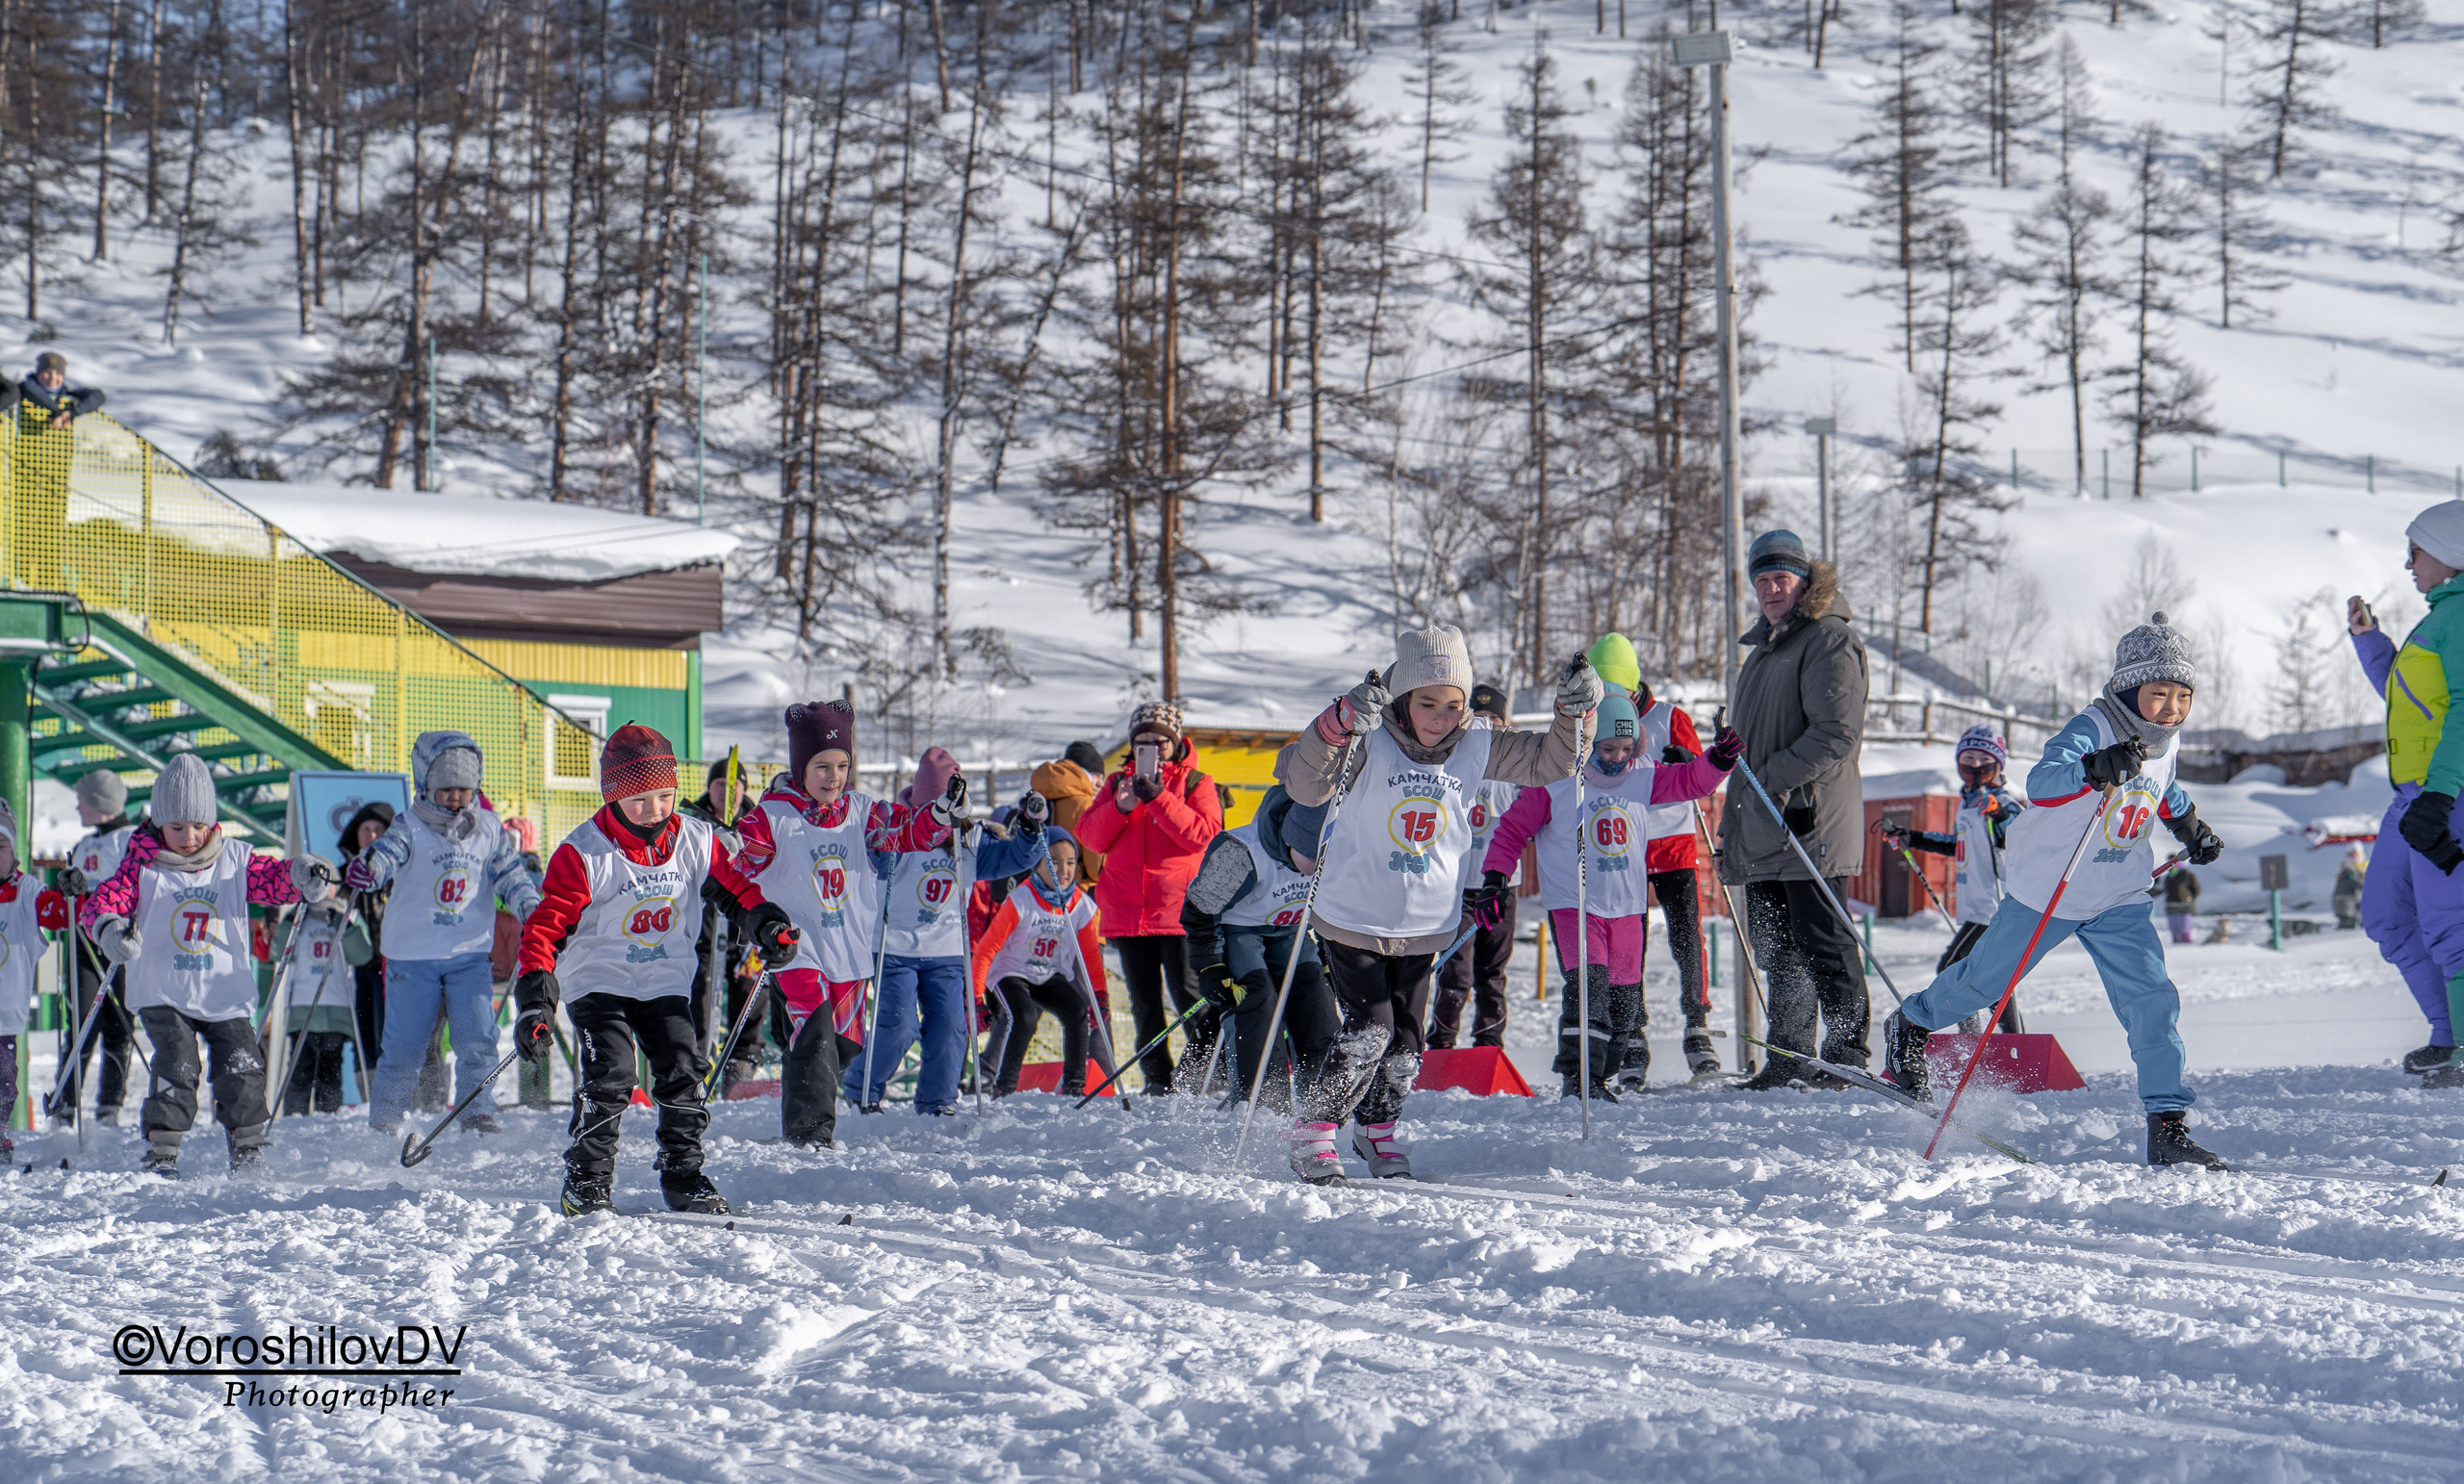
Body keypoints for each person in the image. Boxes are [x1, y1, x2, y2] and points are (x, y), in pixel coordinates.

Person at [1882, 613, 2231, 1168]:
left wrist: (2190, 826)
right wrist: (2092, 767)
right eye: (2159, 693)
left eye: (2182, 695)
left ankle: (2168, 1127)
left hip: (2118, 892)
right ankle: (1912, 1022)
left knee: (2153, 1003)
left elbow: (2164, 785)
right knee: (1986, 982)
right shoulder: (2093, 726)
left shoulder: (2168, 739)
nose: (2171, 708)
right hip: (2050, 888)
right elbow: (2043, 783)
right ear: (2127, 687)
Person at [1273, 625, 1597, 1180]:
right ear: (1402, 695)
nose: (1441, 718)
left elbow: (1553, 762)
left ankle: (1377, 1131)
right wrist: (1337, 724)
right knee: (1369, 1030)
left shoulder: (1477, 744)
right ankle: (1315, 1131)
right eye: (1428, 703)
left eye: (1454, 705)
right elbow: (1304, 785)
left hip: (1425, 921)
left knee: (1404, 1042)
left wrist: (1574, 716)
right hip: (1353, 914)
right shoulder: (1367, 738)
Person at [513, 725, 798, 1215]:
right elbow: (544, 930)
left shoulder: (695, 840)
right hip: (599, 982)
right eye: (640, 799)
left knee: (683, 1068)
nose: (655, 810)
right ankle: (588, 1178)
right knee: (613, 1074)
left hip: (664, 980)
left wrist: (767, 924)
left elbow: (736, 892)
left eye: (665, 796)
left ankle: (684, 1174)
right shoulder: (584, 853)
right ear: (614, 794)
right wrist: (536, 1001)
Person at [1475, 690, 1743, 1097]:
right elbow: (1512, 831)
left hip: (1627, 908)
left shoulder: (1642, 774)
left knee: (1623, 1005)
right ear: (1589, 743)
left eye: (1626, 747)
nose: (1617, 757)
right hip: (1575, 905)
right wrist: (1495, 877)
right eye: (1607, 747)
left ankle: (1605, 1072)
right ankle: (1579, 1077)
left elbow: (1691, 781)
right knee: (1588, 991)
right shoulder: (1559, 780)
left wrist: (1720, 757)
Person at [83, 755, 338, 1176]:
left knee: (241, 1063)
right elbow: (105, 901)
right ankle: (162, 1150)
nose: (189, 838)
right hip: (165, 991)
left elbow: (272, 879)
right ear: (158, 823)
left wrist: (301, 873)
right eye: (177, 827)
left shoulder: (235, 858)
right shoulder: (142, 863)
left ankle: (249, 1146)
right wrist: (110, 929)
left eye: (198, 827)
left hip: (224, 990)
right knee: (178, 1062)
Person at [733, 701, 951, 1142]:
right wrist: (727, 850)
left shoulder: (861, 811)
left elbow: (907, 831)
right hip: (796, 946)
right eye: (821, 766)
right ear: (799, 767)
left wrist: (942, 813)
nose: (834, 777)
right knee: (815, 1034)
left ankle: (798, 1067)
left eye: (842, 765)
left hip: (848, 949)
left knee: (844, 1045)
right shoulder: (773, 817)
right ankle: (811, 1136)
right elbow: (738, 862)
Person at [1719, 529, 1872, 1089]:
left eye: (1780, 577)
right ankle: (1789, 1057)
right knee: (1777, 947)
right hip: (1765, 823)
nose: (1770, 589)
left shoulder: (1827, 639)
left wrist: (1766, 780)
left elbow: (1836, 735)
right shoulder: (1764, 649)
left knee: (1824, 942)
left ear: (1805, 581)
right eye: (1761, 580)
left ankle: (1846, 1056)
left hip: (1811, 821)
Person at [344, 731, 543, 1136]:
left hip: (468, 952)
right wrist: (372, 868)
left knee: (477, 1037)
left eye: (464, 790)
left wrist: (531, 907)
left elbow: (510, 876)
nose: (455, 798)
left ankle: (477, 1110)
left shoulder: (487, 828)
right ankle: (386, 1119)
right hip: (412, 955)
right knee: (405, 1046)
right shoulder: (409, 825)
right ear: (426, 785)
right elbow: (386, 855)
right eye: (446, 789)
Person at [863, 750, 1049, 1114]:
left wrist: (1029, 829)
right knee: (899, 1026)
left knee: (951, 1025)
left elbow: (1013, 859)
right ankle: (862, 1089)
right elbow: (876, 857)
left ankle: (937, 1099)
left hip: (946, 947)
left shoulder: (969, 838)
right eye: (936, 802)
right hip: (895, 944)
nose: (943, 813)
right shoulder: (902, 830)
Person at [2350, 503, 2464, 1086]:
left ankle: (2462, 1047)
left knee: (2452, 924)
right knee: (2388, 918)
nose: (2408, 562)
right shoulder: (2441, 618)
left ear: (2450, 551)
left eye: (2416, 550)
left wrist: (2440, 797)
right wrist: (2370, 642)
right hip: (2412, 795)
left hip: (2447, 793)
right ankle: (2450, 1038)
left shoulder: (2462, 616)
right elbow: (2411, 703)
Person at [1586, 633, 1720, 1081]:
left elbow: (1703, 774)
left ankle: (1697, 1025)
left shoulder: (1668, 717)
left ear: (1633, 684)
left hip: (1674, 841)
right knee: (1629, 944)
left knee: (1686, 937)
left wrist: (1688, 757)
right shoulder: (1594, 721)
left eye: (1615, 690)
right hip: (1624, 848)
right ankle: (1633, 1033)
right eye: (1601, 691)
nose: (1608, 699)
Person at [1072, 702, 1223, 1095]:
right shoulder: (1114, 785)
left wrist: (1158, 798)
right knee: (1144, 1006)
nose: (1152, 748)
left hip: (1180, 912)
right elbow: (1089, 837)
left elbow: (1204, 835)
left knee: (1191, 997)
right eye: (1143, 742)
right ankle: (1157, 1079)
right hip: (1126, 912)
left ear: (1175, 743)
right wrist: (1121, 806)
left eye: (1159, 741)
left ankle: (1208, 1074)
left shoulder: (1196, 783)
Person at [1182, 786, 1341, 1154]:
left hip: (1291, 931)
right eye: (1308, 856)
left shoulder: (1337, 849)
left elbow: (1338, 909)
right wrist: (1209, 966)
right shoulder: (1241, 852)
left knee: (1315, 999)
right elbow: (1200, 910)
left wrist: (1336, 962)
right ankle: (1261, 1103)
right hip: (1239, 931)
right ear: (1291, 839)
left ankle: (1323, 1107)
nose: (1316, 866)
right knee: (1259, 1000)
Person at [1883, 724, 2030, 1032]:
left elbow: (2019, 836)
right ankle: (2007, 1037)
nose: (1975, 766)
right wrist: (1913, 837)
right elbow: (1956, 844)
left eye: (1983, 759)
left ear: (1998, 763)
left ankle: (1972, 1038)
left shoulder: (2003, 801)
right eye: (1969, 758)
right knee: (1988, 975)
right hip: (1977, 906)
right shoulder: (1967, 803)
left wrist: (1999, 815)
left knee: (1954, 968)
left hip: (1993, 906)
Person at [974, 829, 1118, 1098]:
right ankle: (1004, 1086)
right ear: (1038, 864)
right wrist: (976, 996)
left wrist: (1099, 994)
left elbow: (1089, 956)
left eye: (1070, 862)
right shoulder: (1022, 899)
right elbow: (986, 950)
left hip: (1047, 973)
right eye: (1053, 862)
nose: (1063, 870)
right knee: (1025, 1018)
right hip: (1010, 972)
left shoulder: (1079, 905)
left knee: (1077, 1012)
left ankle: (1075, 1085)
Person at [1427, 682, 1519, 1053]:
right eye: (1478, 719)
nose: (1486, 727)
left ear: (1505, 723)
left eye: (1493, 720)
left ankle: (1488, 1041)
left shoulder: (1515, 769)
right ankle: (1441, 1041)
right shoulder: (1452, 762)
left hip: (1501, 888)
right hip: (1458, 889)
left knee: (1491, 972)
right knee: (1456, 972)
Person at [56, 768, 138, 1126]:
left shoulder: (130, 839)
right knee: (80, 1022)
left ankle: (110, 1107)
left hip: (119, 942)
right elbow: (74, 895)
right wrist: (70, 888)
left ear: (99, 803)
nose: (77, 807)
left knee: (119, 1022)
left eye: (82, 800)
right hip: (83, 943)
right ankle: (65, 1106)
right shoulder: (84, 844)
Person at [0, 804, 69, 1163]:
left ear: (13, 854)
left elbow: (59, 914)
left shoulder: (25, 891)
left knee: (2, 1080)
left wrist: (73, 895)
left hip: (3, 1018)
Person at [276, 897, 372, 1115]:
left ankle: (327, 1120)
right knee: (300, 1070)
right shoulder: (299, 914)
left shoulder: (349, 913)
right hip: (303, 1005)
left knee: (330, 1071)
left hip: (335, 1007)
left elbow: (362, 955)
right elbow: (280, 953)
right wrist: (290, 920)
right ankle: (294, 1120)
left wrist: (344, 923)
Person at [1030, 741, 1109, 888]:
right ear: (1087, 775)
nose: (1101, 784)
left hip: (1036, 889)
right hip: (1074, 895)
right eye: (1099, 777)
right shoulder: (1087, 805)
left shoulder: (1037, 798)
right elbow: (1097, 869)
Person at [17, 351, 106, 433]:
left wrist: (72, 413)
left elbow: (98, 395)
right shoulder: (26, 389)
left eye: (58, 374)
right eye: (47, 373)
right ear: (38, 373)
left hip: (61, 447)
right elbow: (28, 388)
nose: (53, 378)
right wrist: (57, 411)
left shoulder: (67, 395)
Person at [2164, 866, 2200, 944]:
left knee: (2184, 923)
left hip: (2185, 903)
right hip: (2172, 904)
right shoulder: (2169, 876)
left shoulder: (2188, 875)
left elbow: (2196, 888)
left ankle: (2186, 939)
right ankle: (2176, 939)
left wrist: (2190, 897)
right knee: (2174, 924)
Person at [2334, 845, 2367, 932]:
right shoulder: (2348, 871)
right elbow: (2360, 885)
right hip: (2347, 904)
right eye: (2352, 855)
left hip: (2348, 903)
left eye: (2357, 854)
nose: (2355, 857)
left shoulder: (2352, 869)